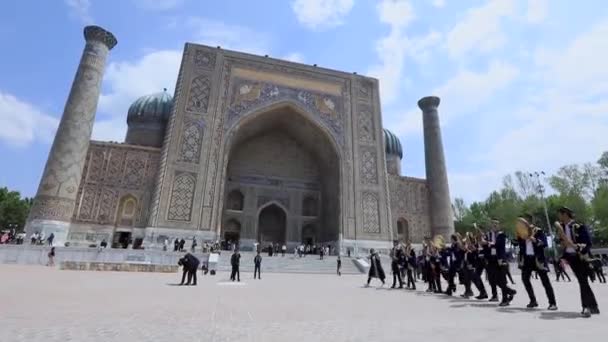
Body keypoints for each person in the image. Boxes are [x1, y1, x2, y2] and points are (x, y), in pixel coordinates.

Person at [556, 206, 599, 317]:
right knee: (582, 281)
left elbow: (588, 243)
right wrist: (562, 243)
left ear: (565, 214)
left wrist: (578, 247)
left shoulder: (578, 226)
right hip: (570, 257)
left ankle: (587, 307)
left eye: (560, 214)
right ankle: (593, 306)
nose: (559, 217)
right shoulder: (561, 228)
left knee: (583, 281)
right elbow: (562, 243)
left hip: (580, 256)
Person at [516, 215, 557, 310]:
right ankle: (533, 300)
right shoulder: (522, 233)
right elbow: (518, 244)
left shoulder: (538, 231)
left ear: (529, 221)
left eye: (524, 221)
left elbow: (544, 244)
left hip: (537, 259)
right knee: (525, 279)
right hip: (527, 259)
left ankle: (552, 303)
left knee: (545, 282)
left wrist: (533, 239)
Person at [486, 218, 517, 306]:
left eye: (496, 224)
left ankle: (505, 299)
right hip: (492, 260)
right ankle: (510, 291)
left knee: (502, 280)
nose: (494, 225)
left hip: (500, 260)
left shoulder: (501, 235)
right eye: (493, 224)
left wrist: (489, 243)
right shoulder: (489, 235)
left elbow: (498, 245)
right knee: (495, 280)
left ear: (499, 226)